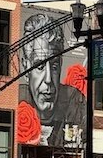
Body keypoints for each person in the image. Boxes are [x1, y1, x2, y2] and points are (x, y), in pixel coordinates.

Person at [18, 13, 85, 146]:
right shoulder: (15, 100)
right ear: (26, 68)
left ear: (61, 65)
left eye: (54, 66)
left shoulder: (75, 102)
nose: (48, 79)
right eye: (39, 66)